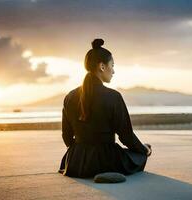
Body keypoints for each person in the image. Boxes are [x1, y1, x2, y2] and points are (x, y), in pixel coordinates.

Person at [58, 38, 152, 178]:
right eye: (112, 65)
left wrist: (79, 153)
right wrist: (143, 150)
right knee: (139, 154)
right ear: (102, 66)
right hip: (107, 161)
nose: (113, 71)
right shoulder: (113, 97)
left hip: (75, 163)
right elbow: (126, 136)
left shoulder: (69, 97)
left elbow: (66, 136)